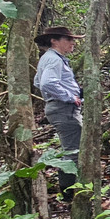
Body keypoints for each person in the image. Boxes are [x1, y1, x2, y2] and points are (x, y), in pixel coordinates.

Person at [34, 25, 84, 200]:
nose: (73, 42)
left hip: (59, 107)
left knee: (71, 149)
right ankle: (69, 193)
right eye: (68, 39)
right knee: (73, 151)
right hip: (63, 109)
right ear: (54, 41)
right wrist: (70, 96)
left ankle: (70, 190)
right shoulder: (54, 59)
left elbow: (37, 82)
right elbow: (47, 83)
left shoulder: (49, 58)